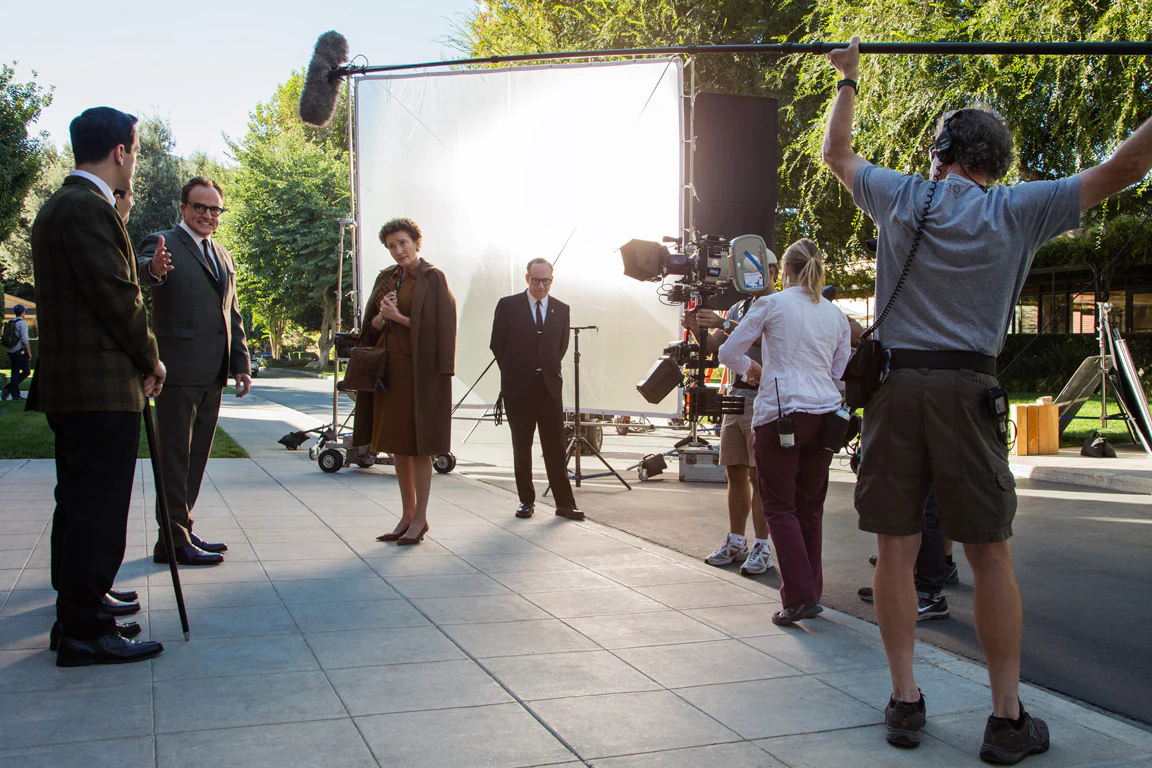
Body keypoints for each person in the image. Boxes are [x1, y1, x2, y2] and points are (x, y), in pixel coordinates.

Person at [824, 36, 1152, 763]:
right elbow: (1127, 166)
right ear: (995, 163)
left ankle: (905, 701)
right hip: (970, 389)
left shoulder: (902, 195)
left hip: (896, 388)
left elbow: (837, 156)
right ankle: (1006, 721)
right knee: (991, 556)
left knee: (895, 552)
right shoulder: (1021, 210)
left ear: (940, 151)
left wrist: (849, 81)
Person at [28, 106, 165, 666]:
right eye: (135, 150)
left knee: (80, 505)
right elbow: (119, 297)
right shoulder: (88, 208)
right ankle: (85, 629)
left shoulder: (63, 205)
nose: (135, 161)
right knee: (98, 510)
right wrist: (151, 358)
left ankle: (80, 614)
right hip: (98, 387)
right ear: (120, 152)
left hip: (79, 387)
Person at [718, 239, 851, 625]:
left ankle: (798, 597)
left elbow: (728, 353)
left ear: (786, 270)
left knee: (779, 505)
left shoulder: (770, 304)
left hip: (781, 411)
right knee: (810, 507)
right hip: (824, 414)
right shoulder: (834, 314)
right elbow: (839, 371)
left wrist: (752, 370)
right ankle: (811, 590)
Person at [138, 177, 251, 566]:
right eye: (199, 207)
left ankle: (179, 529)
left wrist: (241, 363)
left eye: (214, 209)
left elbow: (231, 314)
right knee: (175, 458)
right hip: (176, 370)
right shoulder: (162, 241)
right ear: (183, 208)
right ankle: (172, 538)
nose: (206, 215)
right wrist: (153, 269)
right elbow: (139, 276)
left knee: (197, 457)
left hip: (213, 372)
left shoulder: (223, 254)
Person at [354, 218, 456, 545]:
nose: (398, 250)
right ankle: (407, 515)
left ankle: (421, 519)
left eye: (403, 243)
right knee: (398, 447)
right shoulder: (387, 278)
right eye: (391, 246)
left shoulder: (433, 278)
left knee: (418, 448)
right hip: (390, 376)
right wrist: (383, 317)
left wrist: (399, 318)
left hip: (420, 376)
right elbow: (370, 327)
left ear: (416, 242)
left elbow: (441, 329)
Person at [682, 256, 780, 575]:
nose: (747, 278)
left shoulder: (780, 304)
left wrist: (721, 323)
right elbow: (715, 347)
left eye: (754, 272)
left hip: (764, 394)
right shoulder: (739, 307)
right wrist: (697, 327)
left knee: (760, 476)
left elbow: (762, 339)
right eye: (744, 273)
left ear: (774, 272)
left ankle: (762, 546)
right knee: (735, 472)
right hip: (735, 394)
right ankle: (737, 542)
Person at [489, 258, 582, 521]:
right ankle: (525, 501)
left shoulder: (561, 309)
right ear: (526, 278)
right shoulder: (508, 306)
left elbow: (560, 347)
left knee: (555, 445)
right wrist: (516, 371)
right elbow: (497, 344)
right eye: (535, 280)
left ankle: (565, 503)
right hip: (518, 389)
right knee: (522, 446)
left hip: (549, 388)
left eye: (546, 281)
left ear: (552, 280)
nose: (541, 285)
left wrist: (545, 369)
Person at [2, 304, 31, 401]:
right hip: (20, 351)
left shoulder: (11, 322)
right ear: (23, 312)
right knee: (26, 371)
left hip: (11, 351)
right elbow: (25, 339)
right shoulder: (22, 323)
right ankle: (10, 389)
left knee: (15, 372)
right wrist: (29, 352)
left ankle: (14, 393)